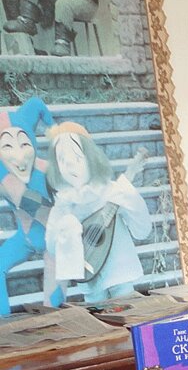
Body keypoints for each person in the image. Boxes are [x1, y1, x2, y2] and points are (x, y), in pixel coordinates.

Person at [44, 121, 151, 302]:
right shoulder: (64, 204)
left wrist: (129, 197)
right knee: (97, 315)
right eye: (62, 160)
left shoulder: (112, 191)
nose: (70, 166)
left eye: (77, 157)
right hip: (90, 279)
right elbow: (52, 246)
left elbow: (142, 229)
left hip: (120, 273)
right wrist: (66, 230)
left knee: (128, 311)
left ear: (91, 158)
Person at [0, 96, 53, 314]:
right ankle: (3, 323)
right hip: (26, 238)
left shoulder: (47, 169)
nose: (19, 155)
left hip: (53, 238)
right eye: (7, 146)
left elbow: (46, 213)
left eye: (24, 143)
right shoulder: (4, 175)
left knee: (53, 308)